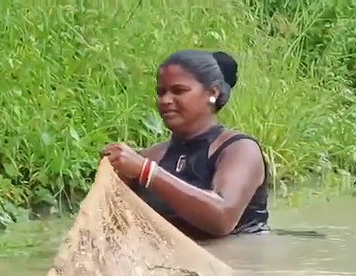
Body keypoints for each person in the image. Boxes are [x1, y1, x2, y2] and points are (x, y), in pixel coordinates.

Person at [100, 49, 270, 240]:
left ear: (212, 92)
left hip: (240, 256)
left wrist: (148, 172)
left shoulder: (241, 149)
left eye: (179, 91)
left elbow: (222, 218)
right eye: (161, 92)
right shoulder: (150, 157)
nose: (165, 100)